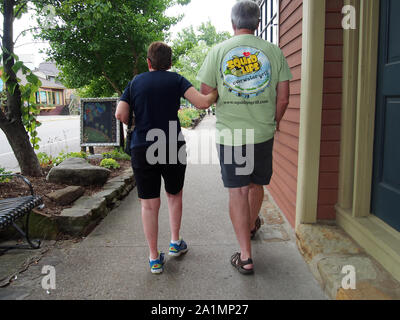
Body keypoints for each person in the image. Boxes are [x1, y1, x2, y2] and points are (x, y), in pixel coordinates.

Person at [196, 0, 292, 274]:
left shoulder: (218, 51)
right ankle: (250, 225)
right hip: (262, 132)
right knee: (255, 185)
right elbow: (284, 98)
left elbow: (206, 91)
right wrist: (274, 123)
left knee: (238, 190)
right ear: (258, 23)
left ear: (233, 23)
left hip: (232, 134)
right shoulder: (274, 51)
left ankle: (246, 256)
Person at [116, 41, 218, 274]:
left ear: (149, 62)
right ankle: (175, 242)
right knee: (174, 195)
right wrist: (217, 90)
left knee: (149, 204)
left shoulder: (135, 82)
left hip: (143, 145)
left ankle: (154, 258)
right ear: (170, 63)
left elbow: (120, 113)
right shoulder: (176, 79)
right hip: (172, 144)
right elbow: (202, 102)